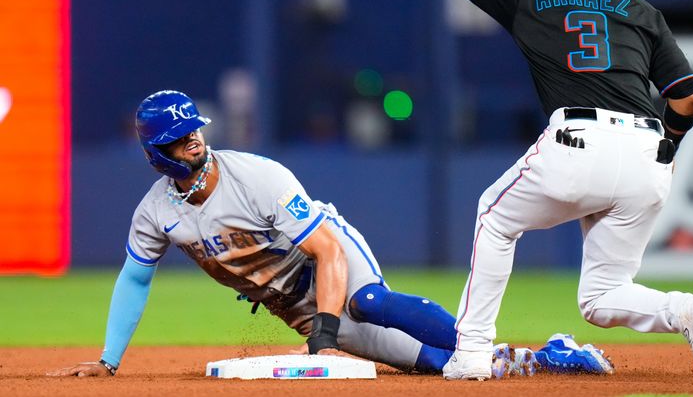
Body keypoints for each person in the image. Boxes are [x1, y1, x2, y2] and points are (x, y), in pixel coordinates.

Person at [48, 90, 610, 379]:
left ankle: (476, 344)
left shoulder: (256, 175)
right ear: (155, 153)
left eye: (193, 130)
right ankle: (547, 357)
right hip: (291, 300)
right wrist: (109, 360)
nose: (192, 141)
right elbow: (134, 279)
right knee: (435, 366)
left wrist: (325, 331)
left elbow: (324, 249)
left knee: (369, 303)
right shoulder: (154, 215)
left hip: (331, 260)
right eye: (177, 139)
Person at [442, 0, 693, 384]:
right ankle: (686, 310)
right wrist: (668, 149)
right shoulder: (641, 11)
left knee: (495, 219)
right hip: (645, 152)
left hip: (575, 141)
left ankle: (472, 352)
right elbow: (687, 97)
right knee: (602, 296)